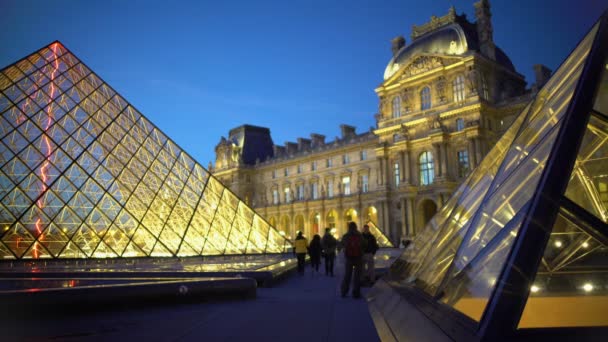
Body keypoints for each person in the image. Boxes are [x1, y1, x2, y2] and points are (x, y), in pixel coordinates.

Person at [340, 222, 367, 298]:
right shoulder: (359, 235)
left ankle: (344, 291)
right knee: (357, 276)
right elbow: (364, 244)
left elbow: (342, 244)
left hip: (349, 258)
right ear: (356, 227)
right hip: (358, 257)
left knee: (347, 275)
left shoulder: (346, 235)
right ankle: (356, 293)